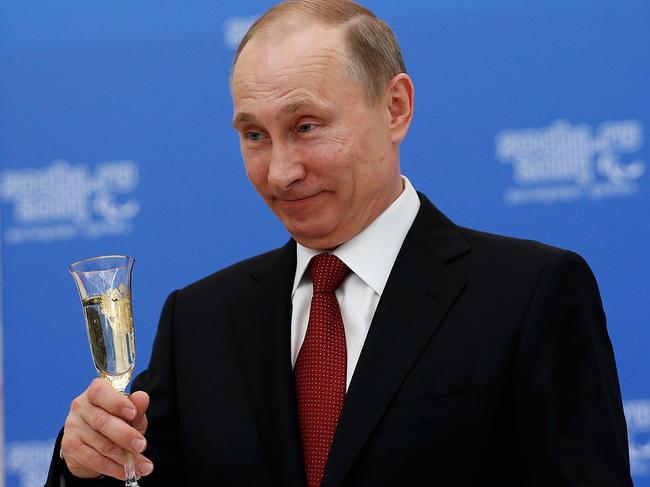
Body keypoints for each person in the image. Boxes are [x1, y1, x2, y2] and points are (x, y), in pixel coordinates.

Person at [46, 1, 633, 485]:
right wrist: (83, 463)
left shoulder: (528, 294)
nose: (280, 172)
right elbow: (132, 471)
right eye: (255, 135)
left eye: (306, 126)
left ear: (395, 107)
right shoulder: (200, 321)